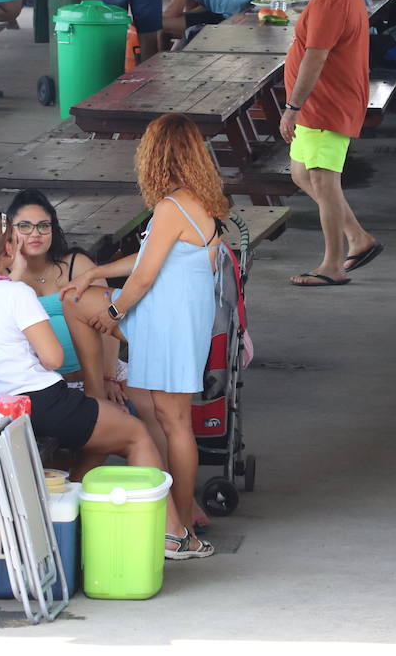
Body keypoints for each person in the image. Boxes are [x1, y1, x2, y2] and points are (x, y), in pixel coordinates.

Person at [0, 208, 211, 558]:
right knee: (136, 434)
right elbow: (54, 359)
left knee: (106, 426)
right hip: (42, 401)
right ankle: (174, 536)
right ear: (10, 248)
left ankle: (64, 503)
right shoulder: (15, 293)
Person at [60, 114, 230, 551]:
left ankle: (182, 528)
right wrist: (96, 272)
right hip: (178, 319)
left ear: (157, 156)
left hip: (166, 320)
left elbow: (144, 276)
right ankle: (178, 519)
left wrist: (114, 311)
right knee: (166, 416)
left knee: (175, 422)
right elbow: (145, 258)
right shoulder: (197, 201)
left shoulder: (171, 206)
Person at [281, 0, 380, 287]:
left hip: (326, 104)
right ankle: (357, 237)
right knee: (301, 173)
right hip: (319, 105)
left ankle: (333, 264)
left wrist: (293, 105)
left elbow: (315, 57)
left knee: (324, 180)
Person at [2, 190, 111, 396]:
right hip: (36, 387)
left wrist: (108, 376)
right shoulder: (0, 275)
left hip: (94, 378)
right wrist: (16, 271)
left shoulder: (76, 264)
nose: (35, 234)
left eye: (43, 226)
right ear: (9, 231)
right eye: (24, 226)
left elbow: (110, 319)